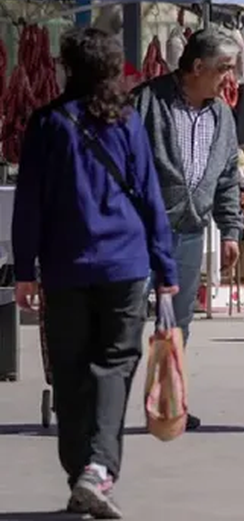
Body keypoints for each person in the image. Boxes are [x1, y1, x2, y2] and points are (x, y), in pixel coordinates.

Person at [13, 28, 178, 518]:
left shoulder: (47, 124)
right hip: (124, 266)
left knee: (69, 370)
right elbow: (151, 197)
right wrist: (166, 267)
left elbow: (30, 207)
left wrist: (25, 270)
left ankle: (82, 471)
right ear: (110, 70)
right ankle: (98, 469)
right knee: (113, 363)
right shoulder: (126, 122)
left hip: (66, 267)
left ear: (68, 68)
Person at [132, 29, 244, 431]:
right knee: (126, 320)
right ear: (197, 67)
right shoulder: (147, 102)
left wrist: (230, 230)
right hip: (142, 233)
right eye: (224, 69)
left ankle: (167, 405)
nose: (228, 78)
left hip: (191, 233)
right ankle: (106, 408)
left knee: (177, 327)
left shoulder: (221, 115)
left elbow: (228, 176)